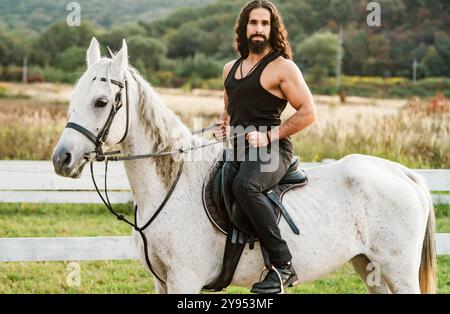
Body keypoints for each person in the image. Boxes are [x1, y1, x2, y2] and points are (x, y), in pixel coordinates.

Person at [213, 0, 316, 294]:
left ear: (273, 29)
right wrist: (223, 124)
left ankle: (283, 266)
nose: (259, 29)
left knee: (245, 186)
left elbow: (308, 112)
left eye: (265, 24)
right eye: (254, 23)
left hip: (273, 150)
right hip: (238, 148)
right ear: (244, 27)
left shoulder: (282, 68)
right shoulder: (229, 69)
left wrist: (268, 136)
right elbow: (230, 107)